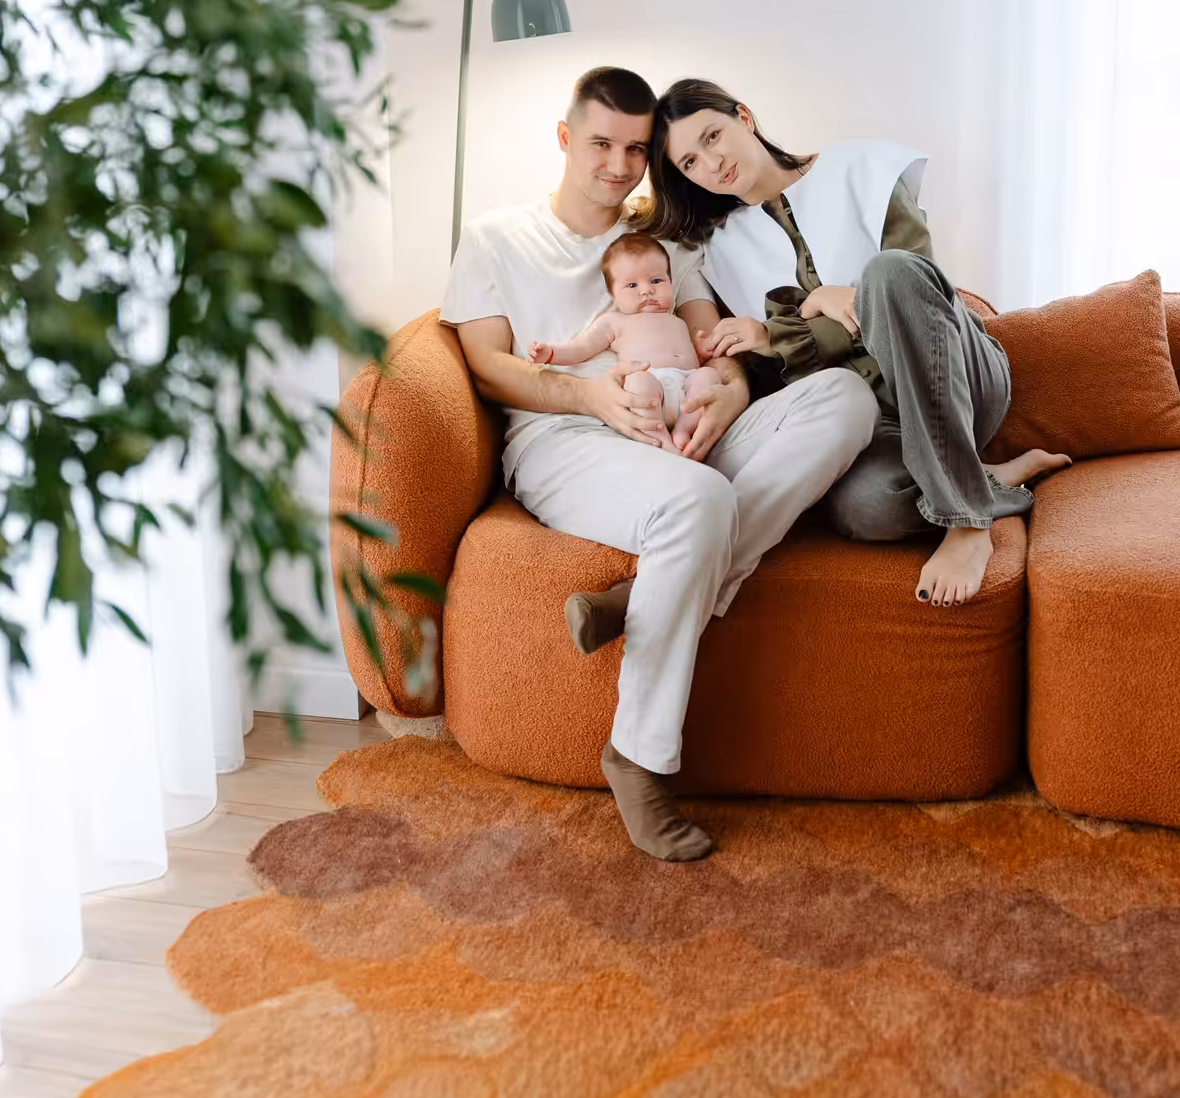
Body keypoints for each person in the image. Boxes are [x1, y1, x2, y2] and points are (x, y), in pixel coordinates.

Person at [441, 66, 875, 863]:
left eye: (636, 150)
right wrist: (589, 399)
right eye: (600, 143)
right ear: (565, 137)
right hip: (564, 437)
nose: (618, 165)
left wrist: (729, 386)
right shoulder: (497, 237)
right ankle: (637, 756)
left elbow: (715, 344)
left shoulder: (667, 244)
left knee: (845, 398)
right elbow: (487, 367)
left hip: (679, 418)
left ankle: (646, 595)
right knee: (697, 502)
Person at [645, 78, 1071, 611]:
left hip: (960, 378)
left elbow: (918, 294)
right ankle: (981, 478)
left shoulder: (862, 167)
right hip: (881, 426)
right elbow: (794, 379)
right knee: (865, 508)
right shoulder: (720, 251)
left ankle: (966, 521)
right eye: (689, 162)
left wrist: (802, 319)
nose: (712, 164)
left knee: (886, 272)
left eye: (712, 136)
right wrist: (792, 326)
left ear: (744, 117)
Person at [527, 232, 723, 453]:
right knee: (637, 381)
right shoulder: (615, 322)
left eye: (656, 281)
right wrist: (550, 353)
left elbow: (691, 356)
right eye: (632, 285)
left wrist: (703, 350)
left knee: (709, 376)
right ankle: (659, 438)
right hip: (651, 386)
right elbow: (581, 348)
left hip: (687, 386)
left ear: (670, 282)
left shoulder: (677, 320)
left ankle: (684, 430)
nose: (646, 290)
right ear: (614, 295)